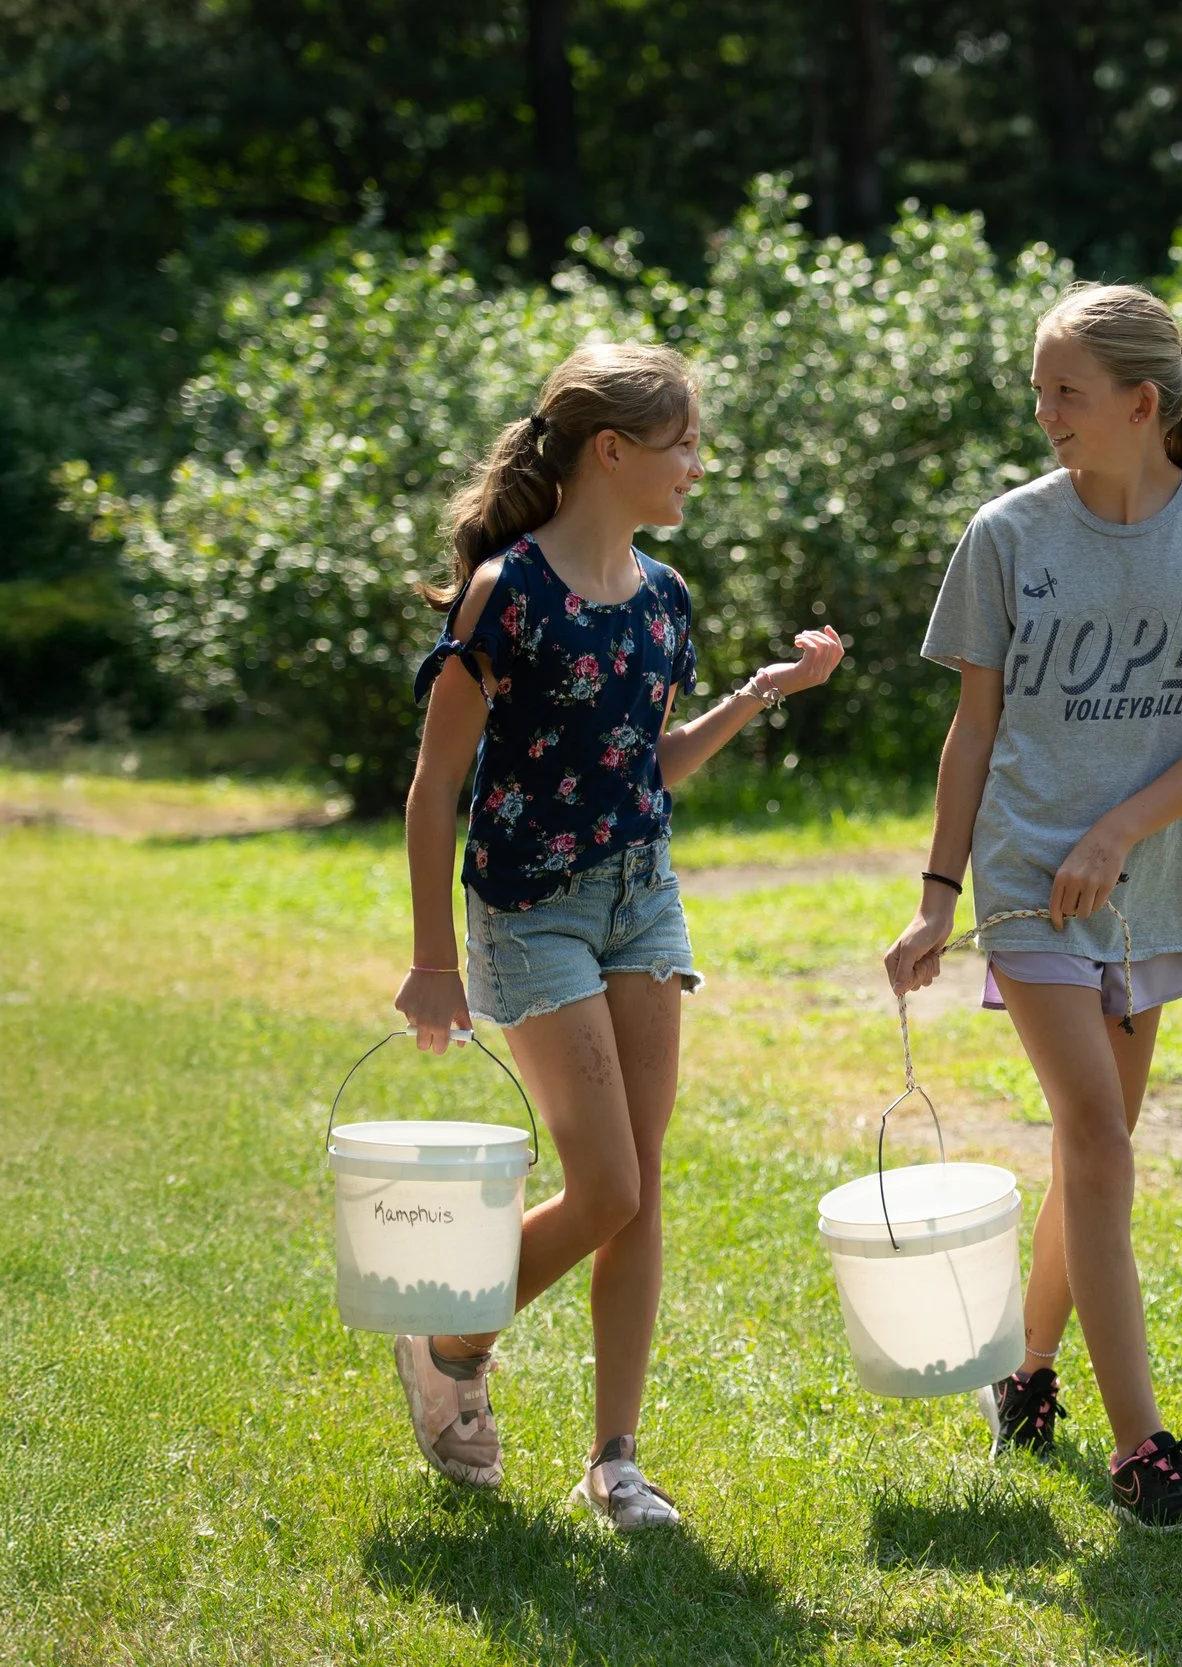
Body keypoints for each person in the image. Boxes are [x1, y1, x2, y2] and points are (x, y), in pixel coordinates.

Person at [884, 283, 1182, 1536]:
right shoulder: (1007, 535)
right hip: (1029, 885)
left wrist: (1122, 830)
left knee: (1094, 1152)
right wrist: (936, 897)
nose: (1044, 413)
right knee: (1101, 1139)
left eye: (1065, 392)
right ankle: (1143, 1454)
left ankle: (1020, 1375)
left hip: (1152, 891)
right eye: (1038, 390)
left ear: (1142, 403)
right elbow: (973, 733)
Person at [394, 342, 844, 1530]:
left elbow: (651, 763)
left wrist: (756, 696)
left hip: (643, 896)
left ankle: (616, 1460)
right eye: (683, 441)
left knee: (635, 1193)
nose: (698, 464)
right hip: (529, 907)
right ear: (612, 450)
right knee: (602, 1183)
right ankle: (449, 1338)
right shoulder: (509, 591)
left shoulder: (666, 599)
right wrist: (435, 961)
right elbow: (435, 783)